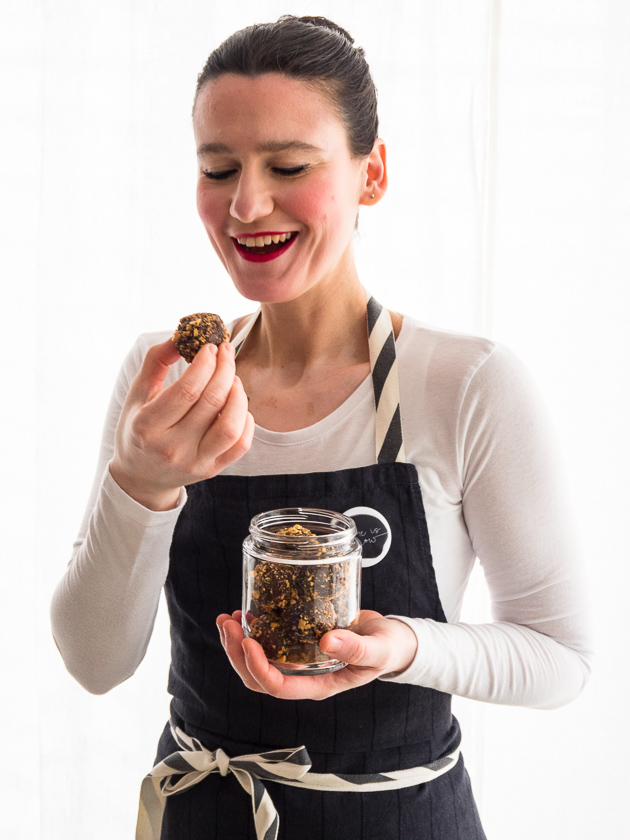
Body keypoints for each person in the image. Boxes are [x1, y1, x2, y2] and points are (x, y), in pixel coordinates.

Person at [50, 15, 592, 840]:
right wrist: (143, 482)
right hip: (206, 813)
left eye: (289, 166)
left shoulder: (466, 383)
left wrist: (402, 647)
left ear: (372, 174)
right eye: (217, 168)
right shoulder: (162, 382)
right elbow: (94, 663)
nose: (246, 204)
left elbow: (562, 659)